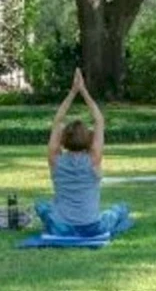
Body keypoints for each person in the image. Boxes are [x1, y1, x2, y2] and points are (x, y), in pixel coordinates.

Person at [35, 69, 132, 237]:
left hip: (60, 228)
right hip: (91, 227)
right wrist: (83, 91)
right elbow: (99, 120)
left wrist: (73, 92)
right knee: (121, 208)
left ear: (64, 140)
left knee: (41, 205)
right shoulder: (94, 159)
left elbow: (57, 121)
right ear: (89, 139)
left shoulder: (55, 160)